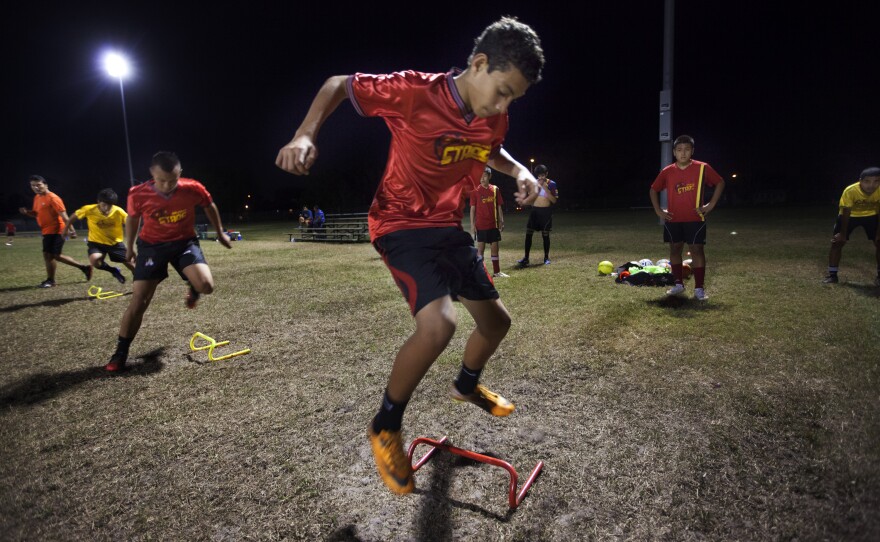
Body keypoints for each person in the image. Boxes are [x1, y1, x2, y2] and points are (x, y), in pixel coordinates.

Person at [275, 16, 544, 495]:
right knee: (439, 323)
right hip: (400, 223)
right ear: (479, 64)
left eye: (513, 99)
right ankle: (385, 423)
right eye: (502, 91)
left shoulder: (494, 115)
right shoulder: (415, 92)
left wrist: (520, 171)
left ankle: (465, 385)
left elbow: (493, 151)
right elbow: (339, 84)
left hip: (446, 227)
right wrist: (304, 134)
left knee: (497, 323)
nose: (503, 105)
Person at [104, 151, 232, 372]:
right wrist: (130, 246)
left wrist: (220, 233)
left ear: (180, 173)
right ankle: (120, 352)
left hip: (184, 243)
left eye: (172, 180)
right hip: (152, 246)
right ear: (152, 174)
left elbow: (209, 206)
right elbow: (133, 219)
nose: (167, 186)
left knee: (206, 286)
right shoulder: (138, 193)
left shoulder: (193, 188)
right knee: (140, 300)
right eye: (161, 180)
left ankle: (194, 287)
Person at [649, 135, 725, 301]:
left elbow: (720, 182)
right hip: (673, 219)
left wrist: (710, 205)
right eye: (679, 150)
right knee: (675, 249)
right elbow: (653, 189)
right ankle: (678, 284)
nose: (683, 153)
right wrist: (658, 210)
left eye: (687, 149)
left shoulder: (703, 168)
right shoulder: (667, 171)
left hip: (695, 218)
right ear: (674, 152)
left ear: (692, 151)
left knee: (697, 250)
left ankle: (699, 289)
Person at [18, 175, 92, 287]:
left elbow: (64, 216)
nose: (36, 188)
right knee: (55, 255)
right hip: (47, 230)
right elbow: (36, 213)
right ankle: (84, 268)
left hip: (57, 230)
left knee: (48, 255)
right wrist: (27, 212)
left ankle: (50, 280)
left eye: (38, 185)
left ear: (45, 185)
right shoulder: (37, 198)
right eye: (33, 185)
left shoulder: (53, 198)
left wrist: (72, 230)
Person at [62, 188, 134, 284]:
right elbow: (73, 217)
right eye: (104, 204)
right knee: (95, 261)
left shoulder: (118, 211)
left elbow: (130, 221)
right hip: (96, 242)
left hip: (115, 243)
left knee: (131, 264)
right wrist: (66, 230)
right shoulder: (89, 209)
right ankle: (114, 271)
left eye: (110, 205)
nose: (107, 208)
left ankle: (138, 279)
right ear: (98, 201)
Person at [822, 166, 880, 285]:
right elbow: (846, 212)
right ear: (860, 181)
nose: (871, 185)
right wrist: (843, 234)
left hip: (872, 215)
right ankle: (832, 276)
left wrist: (879, 233)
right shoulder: (850, 190)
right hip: (850, 216)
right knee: (837, 242)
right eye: (867, 181)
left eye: (876, 181)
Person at [516, 163, 558, 267]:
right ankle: (526, 258)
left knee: (545, 235)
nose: (541, 178)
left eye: (543, 175)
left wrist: (545, 188)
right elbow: (531, 200)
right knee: (528, 234)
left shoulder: (552, 184)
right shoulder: (533, 184)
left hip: (545, 212)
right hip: (534, 211)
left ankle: (546, 258)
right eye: (539, 176)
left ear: (546, 174)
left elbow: (554, 200)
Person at [470, 167, 508, 277]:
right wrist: (473, 225)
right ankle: (480, 272)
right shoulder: (475, 191)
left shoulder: (495, 189)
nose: (482, 179)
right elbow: (473, 209)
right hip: (481, 225)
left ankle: (496, 272)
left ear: (489, 176)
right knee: (480, 251)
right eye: (480, 177)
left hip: (494, 224)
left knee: (495, 249)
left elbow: (499, 206)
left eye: (485, 176)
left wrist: (501, 220)